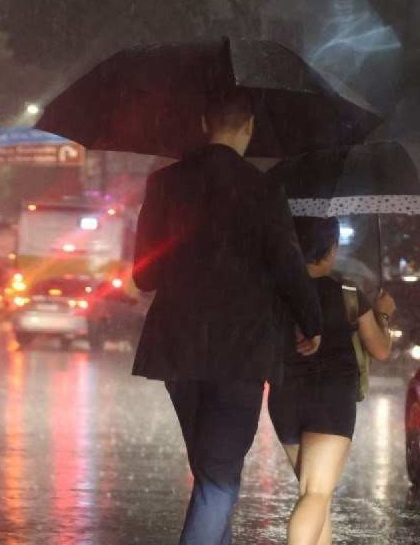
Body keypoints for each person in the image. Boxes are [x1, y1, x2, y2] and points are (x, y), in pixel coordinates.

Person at [131, 88, 324, 545]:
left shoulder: (166, 184)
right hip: (240, 350)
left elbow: (145, 275)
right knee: (218, 478)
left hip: (178, 348)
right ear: (249, 128)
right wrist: (310, 322)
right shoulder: (263, 189)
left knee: (211, 472)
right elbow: (288, 265)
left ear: (204, 124)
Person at [268, 217, 394, 545]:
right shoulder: (349, 294)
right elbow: (380, 350)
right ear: (331, 248)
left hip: (285, 398)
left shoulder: (276, 292)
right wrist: (384, 314)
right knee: (316, 492)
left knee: (315, 496)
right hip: (331, 398)